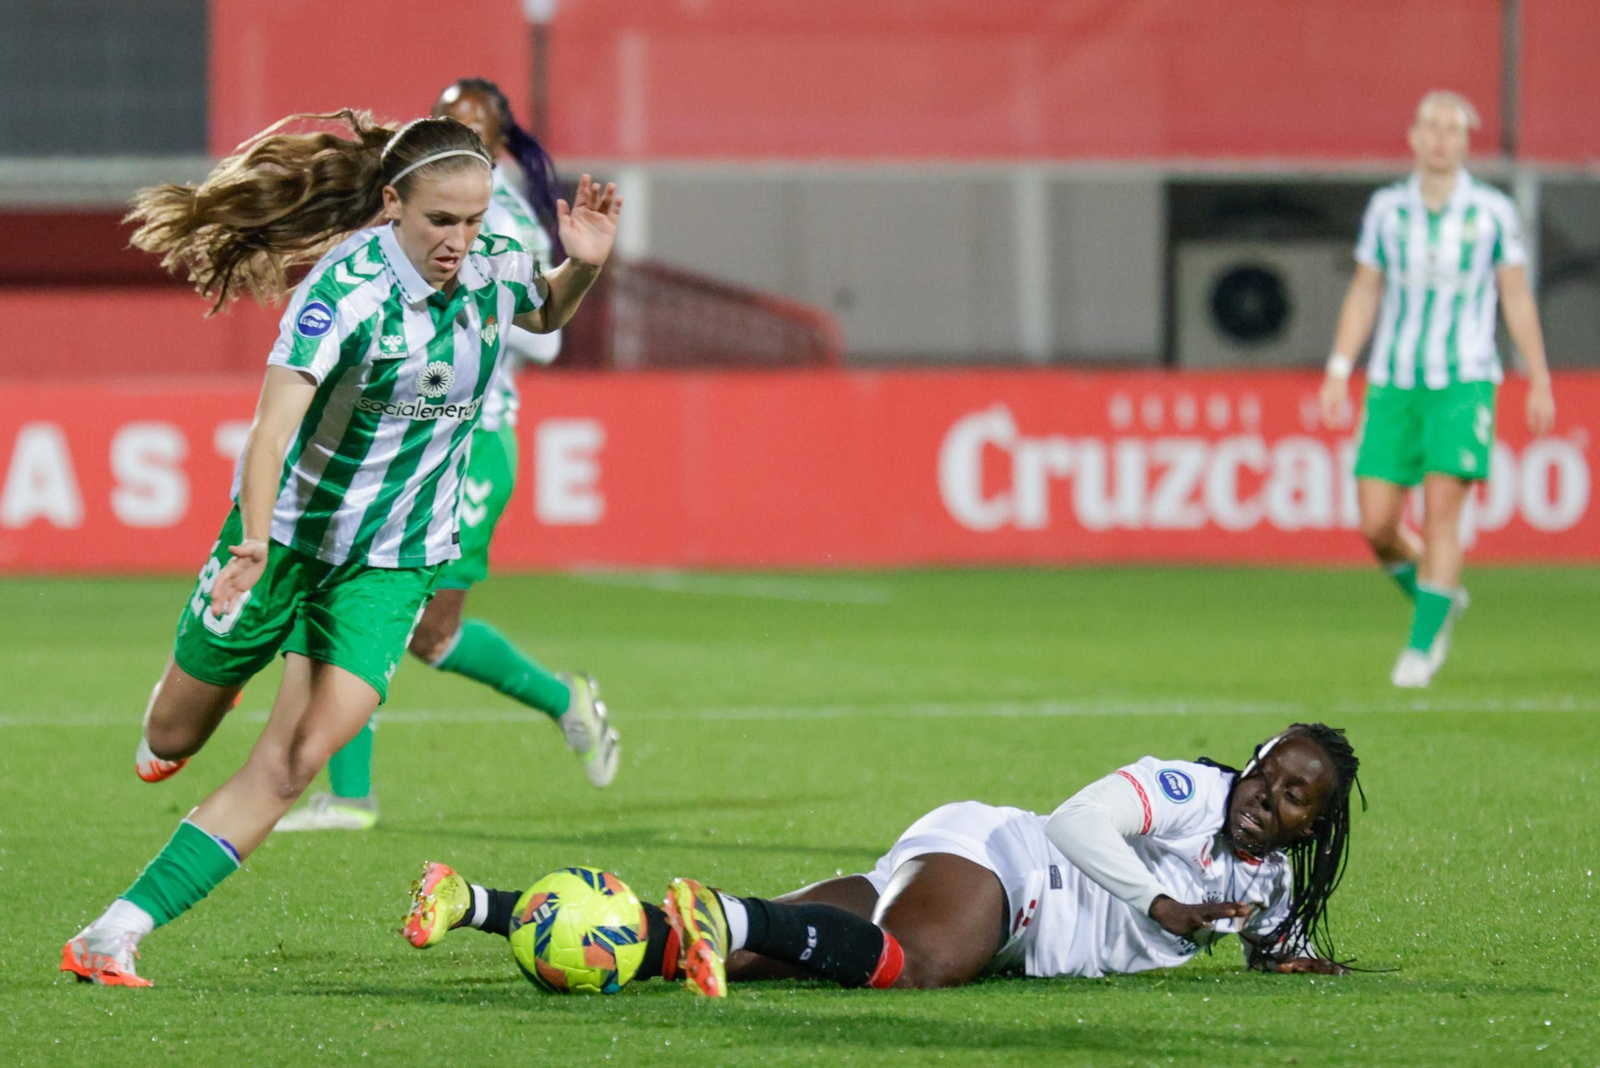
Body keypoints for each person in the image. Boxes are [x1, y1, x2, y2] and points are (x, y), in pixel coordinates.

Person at [62, 109, 622, 986]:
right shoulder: (344, 293)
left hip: (393, 564)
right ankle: (194, 698)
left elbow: (543, 310)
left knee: (293, 763)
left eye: (475, 219)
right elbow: (271, 429)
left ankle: (113, 933)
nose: (460, 241)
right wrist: (252, 540)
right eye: (441, 220)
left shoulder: (494, 262)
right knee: (172, 736)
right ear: (393, 204)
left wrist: (580, 266)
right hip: (285, 543)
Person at [274, 79, 619, 834]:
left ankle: (562, 702)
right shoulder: (420, 202)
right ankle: (354, 795)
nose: (464, 134)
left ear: (498, 141)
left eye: (477, 127)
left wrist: (473, 314)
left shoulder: (503, 221)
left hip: (470, 441)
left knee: (411, 624)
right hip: (403, 438)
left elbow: (547, 335)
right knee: (381, 611)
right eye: (450, 121)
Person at [402, 723, 1361, 993]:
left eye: (1291, 798)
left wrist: (1294, 957)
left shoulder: (1270, 879)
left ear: (1311, 828)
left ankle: (477, 904)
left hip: (967, 879)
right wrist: (1161, 906)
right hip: (1009, 870)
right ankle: (728, 911)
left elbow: (1273, 939)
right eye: (1265, 773)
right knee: (923, 966)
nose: (1262, 798)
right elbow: (1076, 822)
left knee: (747, 959)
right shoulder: (1188, 793)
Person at [1319, 90, 1557, 689]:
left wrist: (1538, 376)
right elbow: (1366, 290)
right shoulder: (1387, 210)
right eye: (1432, 126)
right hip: (1394, 380)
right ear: (1413, 137)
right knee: (1376, 523)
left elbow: (1515, 295)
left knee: (1442, 513)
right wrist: (1340, 367)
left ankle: (1421, 648)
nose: (1441, 138)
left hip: (1464, 381)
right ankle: (1438, 597)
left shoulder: (1492, 212)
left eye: (1453, 129)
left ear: (1467, 142)